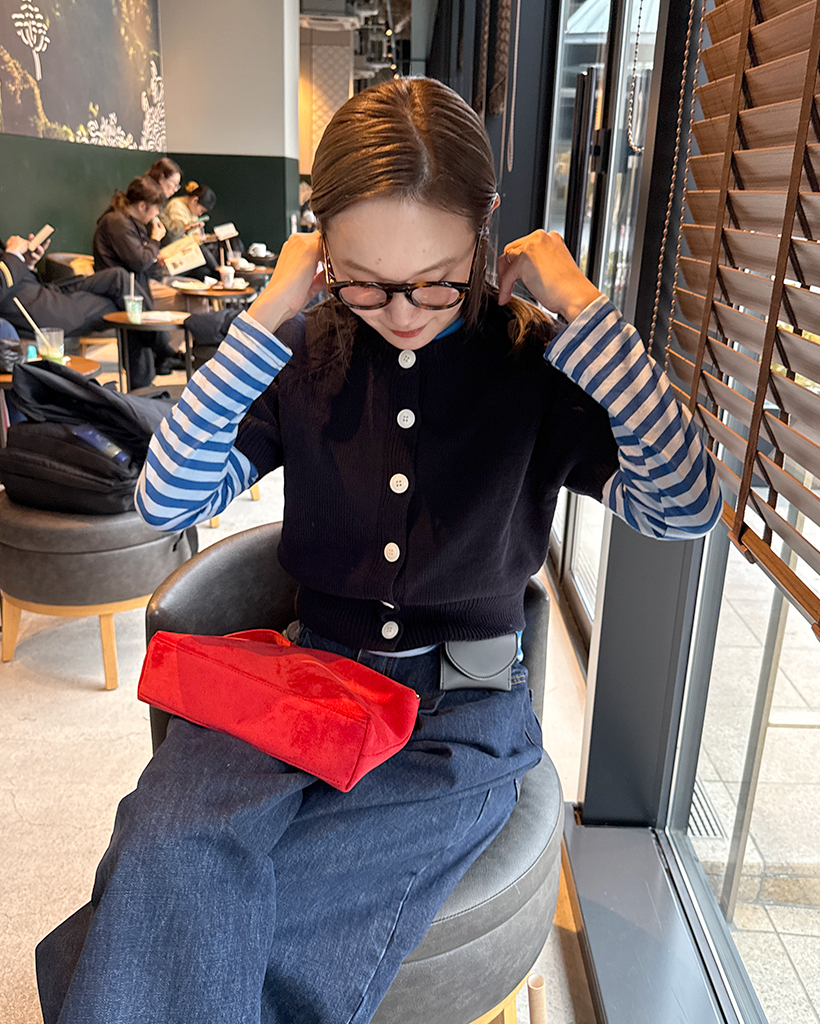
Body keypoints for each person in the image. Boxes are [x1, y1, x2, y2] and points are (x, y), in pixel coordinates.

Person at [35, 78, 721, 1024]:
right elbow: (166, 498)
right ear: (321, 247)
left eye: (437, 278)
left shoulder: (531, 361)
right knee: (162, 849)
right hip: (301, 680)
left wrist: (585, 309)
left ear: (484, 229)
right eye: (363, 279)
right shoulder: (306, 352)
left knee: (269, 915)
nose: (402, 312)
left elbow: (686, 505)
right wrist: (266, 317)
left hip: (459, 719)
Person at [93, 176, 184, 384]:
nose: (157, 214)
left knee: (140, 334)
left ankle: (155, 371)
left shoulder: (130, 222)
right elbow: (139, 261)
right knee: (140, 330)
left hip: (133, 289)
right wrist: (154, 241)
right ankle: (166, 352)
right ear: (142, 205)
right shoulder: (117, 222)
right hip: (117, 291)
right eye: (155, 208)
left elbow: (142, 262)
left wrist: (154, 258)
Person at [159, 180, 216, 244]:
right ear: (195, 200)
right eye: (201, 210)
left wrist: (209, 238)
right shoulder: (176, 206)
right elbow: (177, 236)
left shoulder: (191, 210)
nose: (200, 214)